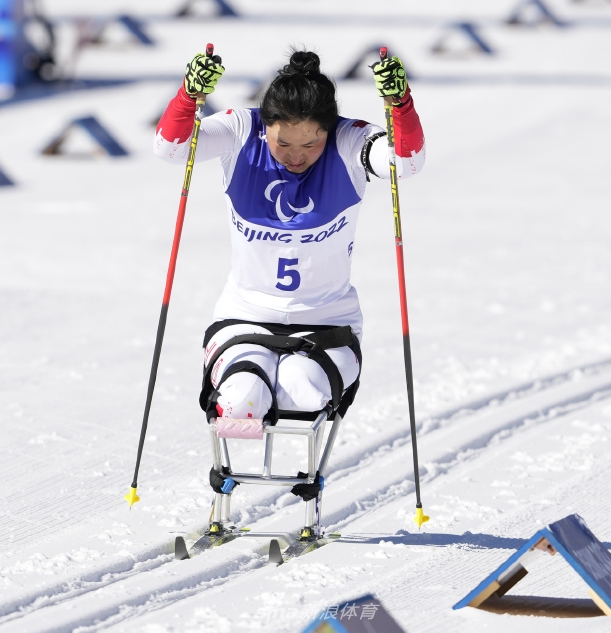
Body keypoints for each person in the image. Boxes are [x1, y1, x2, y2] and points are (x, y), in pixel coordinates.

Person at [153, 48, 425, 491]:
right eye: (283, 143)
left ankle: (305, 495)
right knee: (241, 402)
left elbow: (404, 162)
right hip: (245, 315)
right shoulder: (242, 129)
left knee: (302, 393)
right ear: (267, 128)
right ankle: (228, 489)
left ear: (328, 131)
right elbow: (170, 149)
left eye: (310, 144)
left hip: (327, 321)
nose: (295, 156)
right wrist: (188, 96)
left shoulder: (351, 139)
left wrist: (400, 107)